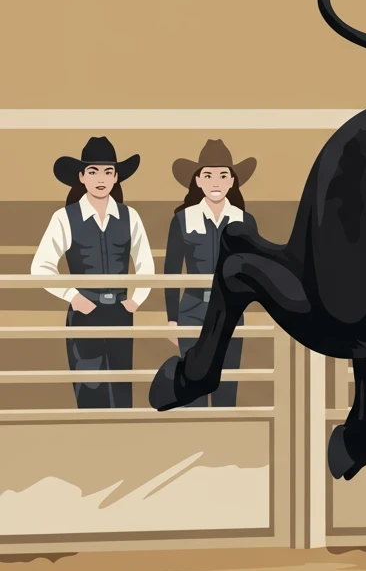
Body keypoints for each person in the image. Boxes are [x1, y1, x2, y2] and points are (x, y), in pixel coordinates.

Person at [30, 137, 154, 408]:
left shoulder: (130, 216)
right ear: (81, 177)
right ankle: (90, 445)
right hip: (83, 312)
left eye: (108, 172)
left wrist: (135, 301)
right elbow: (40, 266)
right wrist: (73, 297)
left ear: (116, 177)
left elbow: (145, 263)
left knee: (121, 387)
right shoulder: (64, 217)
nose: (101, 178)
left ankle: (121, 447)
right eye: (93, 171)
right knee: (89, 388)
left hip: (121, 311)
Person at [164, 140, 259, 406]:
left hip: (231, 307)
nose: (215, 182)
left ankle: (226, 439)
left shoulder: (244, 220)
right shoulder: (183, 219)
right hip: (192, 308)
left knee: (226, 381)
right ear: (197, 181)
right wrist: (172, 319)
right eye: (208, 175)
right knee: (192, 381)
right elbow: (171, 271)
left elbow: (255, 269)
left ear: (232, 182)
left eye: (223, 175)